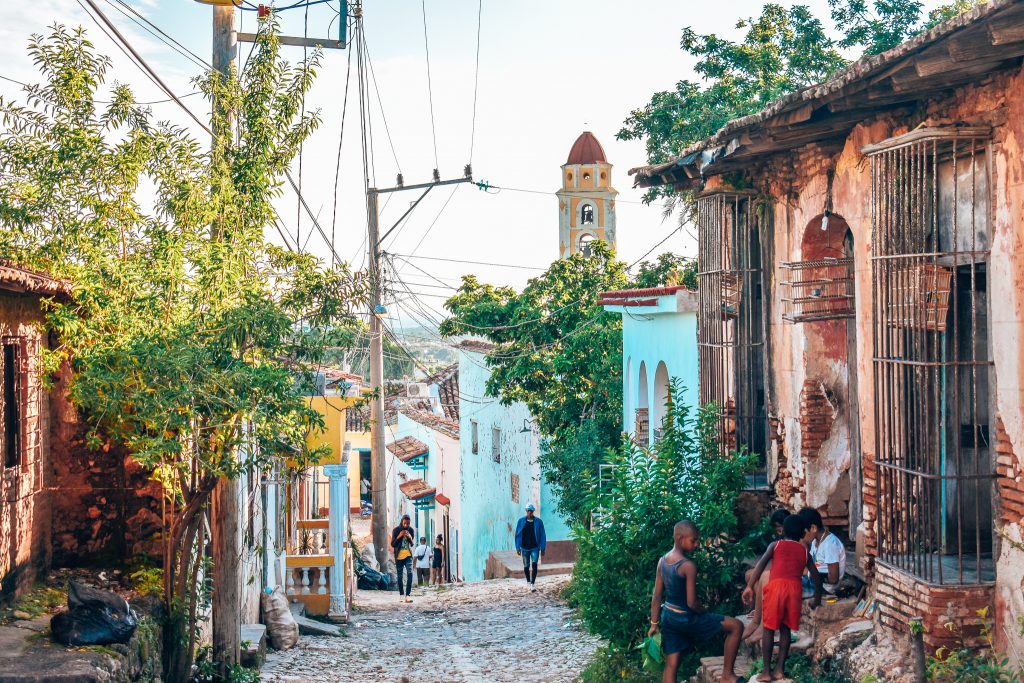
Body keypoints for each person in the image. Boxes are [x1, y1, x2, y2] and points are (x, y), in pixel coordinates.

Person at [648, 520, 746, 683]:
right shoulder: (688, 565)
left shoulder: (662, 561)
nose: (697, 544)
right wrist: (705, 612)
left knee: (672, 663)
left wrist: (654, 623)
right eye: (693, 540)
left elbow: (657, 596)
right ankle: (727, 676)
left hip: (669, 617)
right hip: (686, 617)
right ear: (680, 539)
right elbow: (692, 602)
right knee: (736, 626)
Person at [742, 515, 821, 681]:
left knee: (769, 629)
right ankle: (779, 670)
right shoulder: (805, 551)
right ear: (803, 533)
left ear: (783, 531)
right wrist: (817, 599)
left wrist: (750, 586)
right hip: (794, 590)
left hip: (776, 588)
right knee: (785, 629)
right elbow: (816, 576)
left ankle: (765, 671)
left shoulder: (775, 545)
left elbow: (761, 565)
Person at [743, 508, 791, 643]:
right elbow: (764, 563)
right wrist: (749, 585)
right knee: (751, 575)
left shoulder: (798, 543)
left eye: (779, 527)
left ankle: (763, 621)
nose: (777, 530)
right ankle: (757, 616)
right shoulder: (778, 543)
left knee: (764, 577)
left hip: (787, 579)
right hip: (779, 572)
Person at [797, 507, 846, 597]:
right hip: (814, 582)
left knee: (788, 588)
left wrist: (808, 573)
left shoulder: (830, 544)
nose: (801, 537)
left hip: (824, 589)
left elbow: (833, 579)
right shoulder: (816, 541)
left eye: (803, 533)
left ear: (813, 528)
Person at [514, 504, 547, 591]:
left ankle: (533, 583)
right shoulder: (521, 521)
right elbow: (517, 534)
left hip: (535, 547)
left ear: (533, 511)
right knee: (526, 566)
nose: (529, 512)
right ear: (526, 511)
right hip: (524, 548)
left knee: (534, 564)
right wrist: (517, 547)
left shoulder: (538, 522)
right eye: (528, 511)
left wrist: (543, 548)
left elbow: (543, 535)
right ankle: (528, 581)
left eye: (531, 511)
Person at [390, 514, 416, 602]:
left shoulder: (411, 530)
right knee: (400, 576)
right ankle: (401, 594)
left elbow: (412, 544)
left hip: (408, 555)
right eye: (405, 523)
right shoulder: (396, 530)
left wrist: (409, 538)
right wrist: (399, 536)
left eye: (408, 524)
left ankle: (408, 595)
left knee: (410, 574)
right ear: (402, 522)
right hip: (399, 557)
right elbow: (393, 544)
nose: (406, 525)